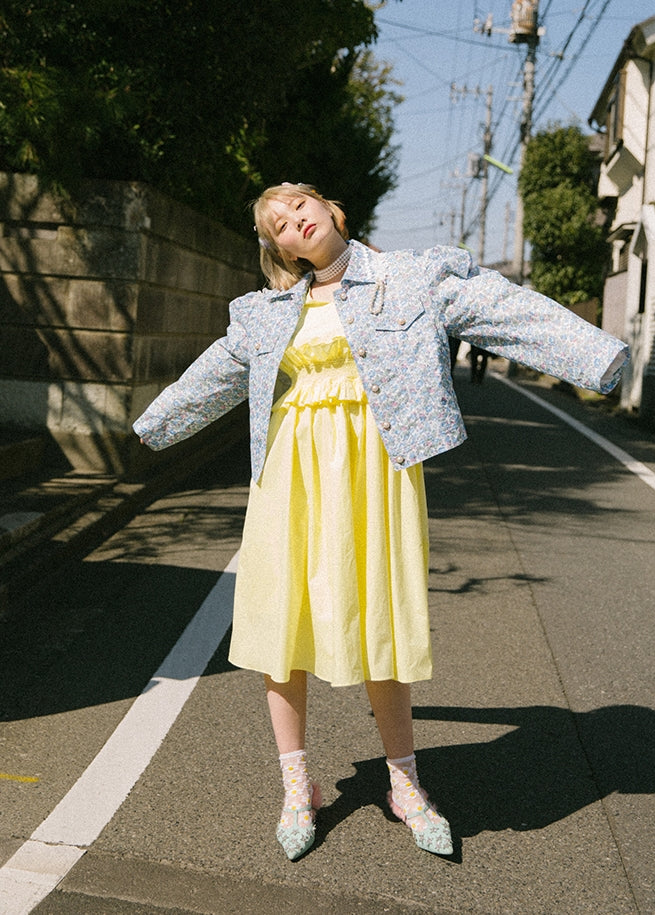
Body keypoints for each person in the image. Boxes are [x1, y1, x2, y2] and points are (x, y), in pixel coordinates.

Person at [133, 182, 628, 862]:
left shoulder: (412, 275)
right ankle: (296, 785)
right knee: (283, 624)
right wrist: (152, 426)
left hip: (377, 469)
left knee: (381, 624)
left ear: (330, 208)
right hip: (290, 474)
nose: (294, 220)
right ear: (277, 247)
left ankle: (406, 785)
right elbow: (216, 373)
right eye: (278, 223)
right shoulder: (263, 310)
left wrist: (601, 358)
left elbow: (503, 305)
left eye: (299, 205)